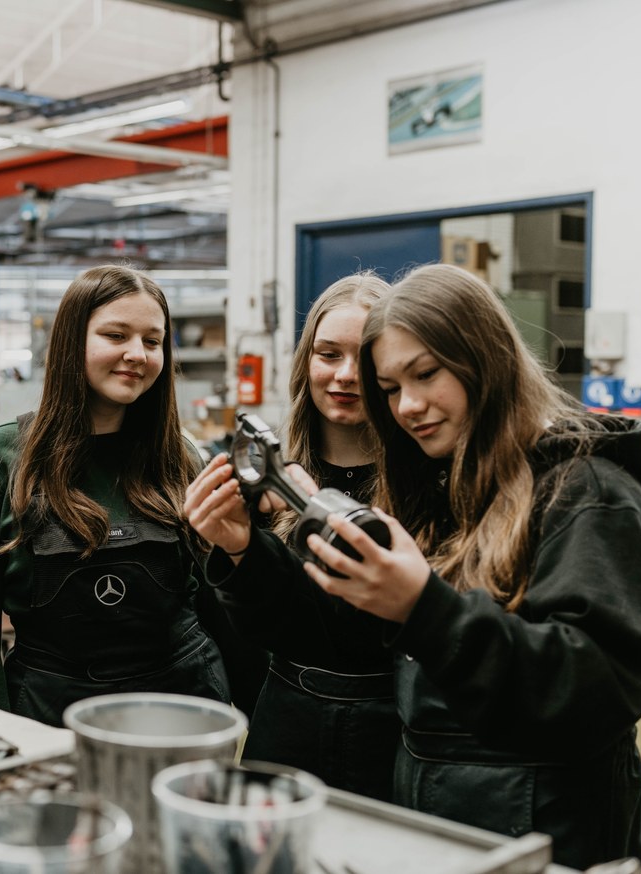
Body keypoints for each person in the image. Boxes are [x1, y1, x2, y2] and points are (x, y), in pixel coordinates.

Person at [303, 263, 641, 867]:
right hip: (443, 820)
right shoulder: (443, 491)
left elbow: (591, 691)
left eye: (426, 374)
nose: (408, 405)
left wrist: (425, 609)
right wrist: (242, 555)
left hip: (548, 831)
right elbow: (350, 648)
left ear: (484, 359)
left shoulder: (587, 490)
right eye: (389, 388)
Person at [0, 264, 240, 727]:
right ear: (70, 342)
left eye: (152, 340)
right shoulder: (1, 459)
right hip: (51, 715)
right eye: (115, 335)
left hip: (180, 708)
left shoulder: (180, 457)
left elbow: (217, 604)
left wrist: (250, 714)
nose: (137, 354)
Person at [183, 272, 401, 801]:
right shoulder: (266, 479)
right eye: (328, 355)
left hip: (391, 730)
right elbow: (251, 629)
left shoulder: (422, 484)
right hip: (285, 720)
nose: (346, 375)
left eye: (366, 358)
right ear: (306, 361)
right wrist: (235, 547)